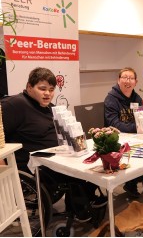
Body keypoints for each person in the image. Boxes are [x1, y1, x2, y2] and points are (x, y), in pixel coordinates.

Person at [1, 67, 104, 220]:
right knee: (79, 172)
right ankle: (81, 206)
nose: (48, 93)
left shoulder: (51, 108)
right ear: (29, 87)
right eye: (42, 89)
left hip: (56, 157)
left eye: (51, 89)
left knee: (91, 163)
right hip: (32, 164)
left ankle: (84, 201)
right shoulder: (15, 104)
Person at [104, 67, 143, 198]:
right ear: (118, 80)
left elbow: (142, 118)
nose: (127, 81)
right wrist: (136, 128)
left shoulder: (136, 98)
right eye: (124, 77)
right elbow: (114, 124)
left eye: (131, 78)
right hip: (117, 140)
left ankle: (132, 181)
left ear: (136, 82)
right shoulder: (111, 99)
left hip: (136, 138)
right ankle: (130, 181)